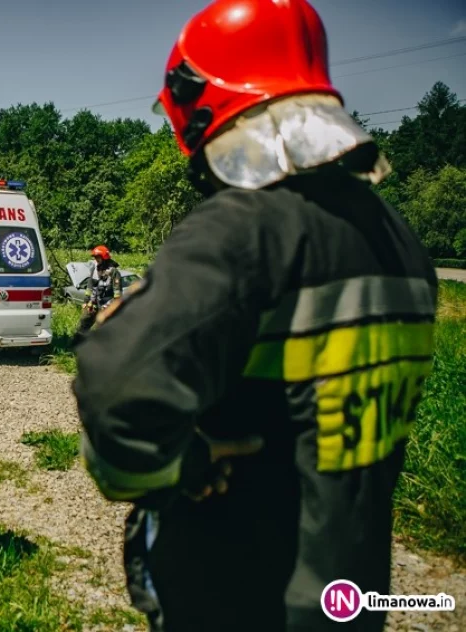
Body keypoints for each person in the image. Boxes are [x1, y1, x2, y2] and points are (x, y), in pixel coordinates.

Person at [71, 1, 438, 631]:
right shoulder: (396, 241)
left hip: (237, 588)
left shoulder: (245, 227)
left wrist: (182, 465)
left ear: (196, 102)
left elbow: (117, 392)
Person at [78, 245, 123, 334]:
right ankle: (77, 342)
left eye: (98, 257)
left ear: (104, 257)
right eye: (95, 257)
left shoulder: (113, 271)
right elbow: (90, 286)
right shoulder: (95, 269)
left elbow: (117, 292)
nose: (96, 259)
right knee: (84, 322)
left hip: (107, 304)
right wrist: (86, 300)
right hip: (94, 302)